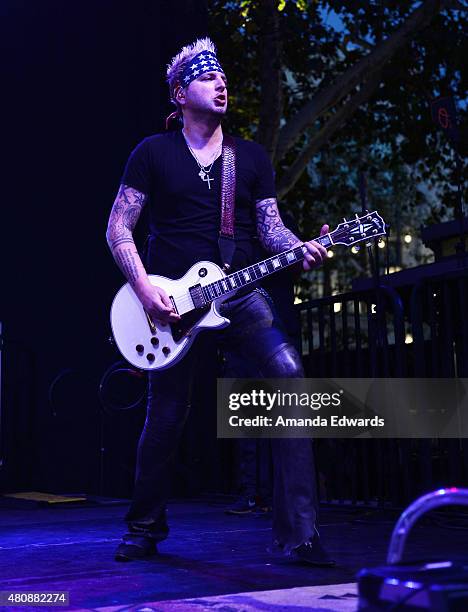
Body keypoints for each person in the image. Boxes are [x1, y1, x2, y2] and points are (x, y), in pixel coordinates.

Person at [106, 37, 333, 566]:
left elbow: (271, 230)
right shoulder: (152, 153)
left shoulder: (249, 158)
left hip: (241, 294)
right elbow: (119, 226)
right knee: (165, 415)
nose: (221, 83)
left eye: (223, 77)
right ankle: (144, 526)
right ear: (181, 95)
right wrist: (146, 288)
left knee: (289, 374)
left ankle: (300, 533)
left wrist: (303, 248)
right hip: (172, 304)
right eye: (208, 77)